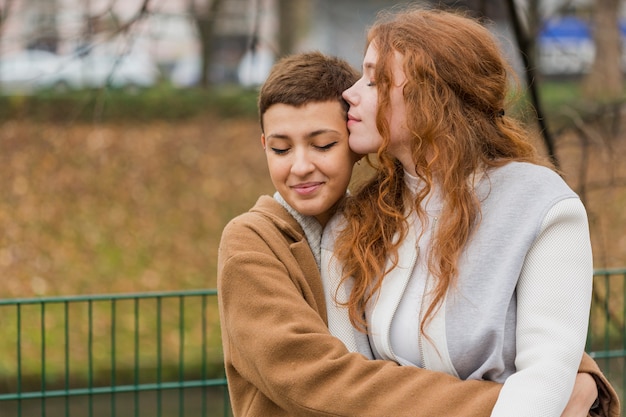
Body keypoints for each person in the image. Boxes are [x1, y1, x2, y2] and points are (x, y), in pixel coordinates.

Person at [217, 51, 615, 417]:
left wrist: (573, 373)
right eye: (281, 150)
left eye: (323, 144)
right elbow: (315, 379)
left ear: (355, 141)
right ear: (264, 145)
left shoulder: (377, 223)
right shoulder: (252, 242)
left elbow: (439, 332)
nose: (300, 166)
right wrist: (527, 400)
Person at [321, 5, 620, 417]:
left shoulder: (544, 207)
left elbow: (547, 372)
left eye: (375, 80)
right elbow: (353, 384)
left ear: (432, 98)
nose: (351, 93)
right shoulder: (355, 221)